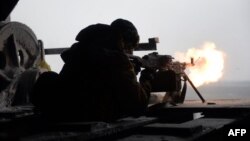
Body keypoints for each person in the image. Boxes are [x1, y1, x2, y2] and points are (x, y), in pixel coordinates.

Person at [31, 23, 154, 122]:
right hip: (90, 114)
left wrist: (132, 71)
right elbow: (138, 104)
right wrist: (147, 76)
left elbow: (103, 79)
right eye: (130, 48)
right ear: (124, 43)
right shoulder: (118, 59)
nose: (130, 53)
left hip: (63, 110)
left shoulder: (79, 51)